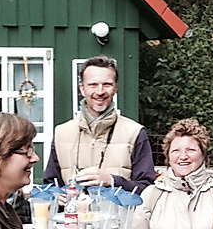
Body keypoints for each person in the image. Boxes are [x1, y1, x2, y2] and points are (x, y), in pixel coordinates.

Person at [42, 55, 156, 192]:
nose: (100, 91)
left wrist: (112, 181)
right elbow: (49, 185)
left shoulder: (135, 133)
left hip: (119, 213)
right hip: (72, 213)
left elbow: (148, 189)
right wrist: (55, 195)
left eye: (107, 84)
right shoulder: (62, 133)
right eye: (93, 85)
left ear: (115, 88)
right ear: (82, 89)